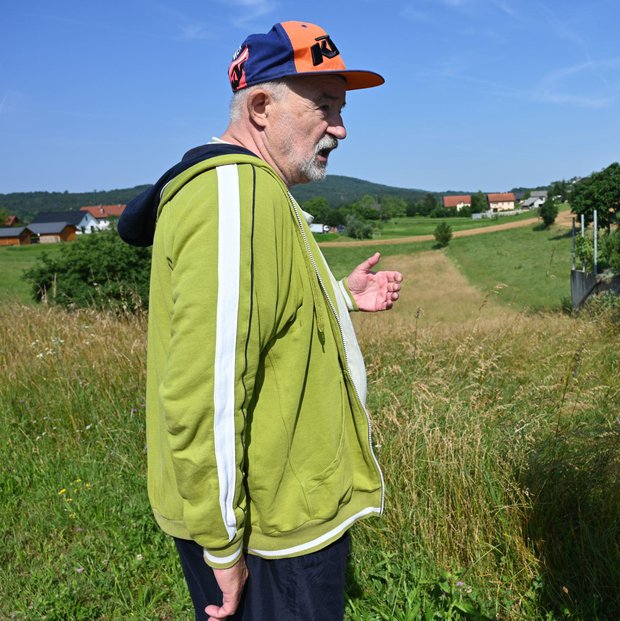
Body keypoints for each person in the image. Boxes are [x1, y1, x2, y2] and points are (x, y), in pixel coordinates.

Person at [118, 21, 402, 621]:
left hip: (278, 516)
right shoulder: (233, 193)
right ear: (263, 106)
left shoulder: (259, 191)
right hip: (272, 530)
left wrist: (341, 297)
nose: (341, 128)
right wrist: (222, 544)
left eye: (342, 109)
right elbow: (209, 387)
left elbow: (260, 319)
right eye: (325, 106)